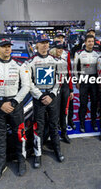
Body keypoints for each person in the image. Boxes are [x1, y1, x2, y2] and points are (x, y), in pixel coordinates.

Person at [0, 38, 30, 183]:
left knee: (20, 134)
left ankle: (21, 161)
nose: (7, 49)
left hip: (16, 105)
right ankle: (1, 165)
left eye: (9, 46)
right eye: (3, 47)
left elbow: (26, 86)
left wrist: (14, 102)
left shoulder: (20, 65)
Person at [26, 34, 64, 169]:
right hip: (38, 98)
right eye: (42, 43)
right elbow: (28, 82)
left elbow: (60, 79)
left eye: (46, 43)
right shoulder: (29, 62)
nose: (44, 45)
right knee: (39, 127)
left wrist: (52, 95)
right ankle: (38, 154)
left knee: (54, 124)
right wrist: (40, 96)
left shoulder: (56, 60)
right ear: (36, 45)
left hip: (52, 97)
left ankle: (57, 149)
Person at [73, 35, 101, 132]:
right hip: (83, 79)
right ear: (85, 42)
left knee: (94, 103)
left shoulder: (97, 53)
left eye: (92, 41)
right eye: (89, 41)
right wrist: (77, 80)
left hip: (94, 80)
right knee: (83, 103)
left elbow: (100, 68)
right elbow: (75, 68)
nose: (90, 43)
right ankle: (82, 124)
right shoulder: (79, 53)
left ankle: (94, 123)